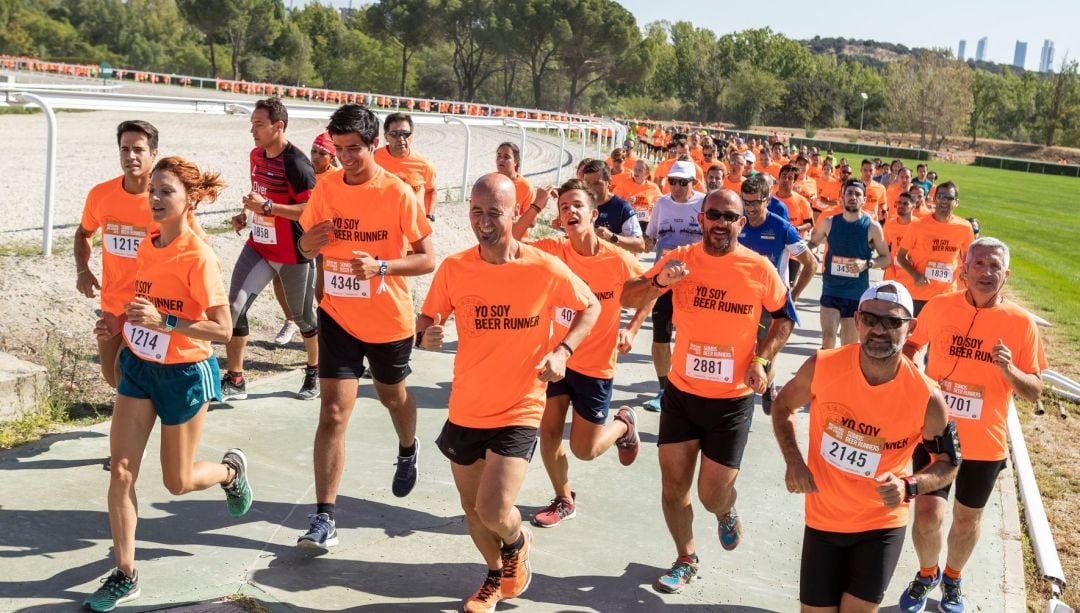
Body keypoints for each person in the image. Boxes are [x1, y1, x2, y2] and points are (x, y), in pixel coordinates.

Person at [417, 173, 600, 613]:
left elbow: (589, 305)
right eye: (476, 212)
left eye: (493, 213)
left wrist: (563, 351)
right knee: (472, 510)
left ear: (516, 214)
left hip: (520, 406)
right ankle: (495, 576)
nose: (483, 221)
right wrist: (427, 335)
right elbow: (425, 322)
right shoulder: (455, 268)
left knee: (495, 509)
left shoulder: (543, 267)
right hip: (466, 407)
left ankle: (517, 540)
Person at [84, 156, 252, 613]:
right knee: (121, 470)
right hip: (140, 365)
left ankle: (230, 472)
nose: (155, 199)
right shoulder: (148, 243)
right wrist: (115, 326)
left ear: (190, 199)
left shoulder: (198, 255)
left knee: (177, 481)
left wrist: (168, 321)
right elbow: (142, 305)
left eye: (165, 192)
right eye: (152, 191)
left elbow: (223, 328)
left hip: (184, 373)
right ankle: (125, 573)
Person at [622, 188, 795, 595]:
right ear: (700, 219)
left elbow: (783, 318)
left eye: (729, 217)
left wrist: (763, 360)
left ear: (741, 223)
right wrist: (660, 280)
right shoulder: (681, 260)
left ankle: (726, 511)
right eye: (713, 215)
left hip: (731, 402)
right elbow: (629, 297)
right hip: (682, 394)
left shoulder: (758, 267)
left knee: (711, 493)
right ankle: (686, 558)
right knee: (673, 487)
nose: (721, 223)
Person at [295, 104, 435, 550]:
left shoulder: (396, 193)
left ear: (373, 145)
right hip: (337, 315)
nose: (346, 158)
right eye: (338, 150)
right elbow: (304, 242)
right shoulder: (327, 186)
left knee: (394, 397)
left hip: (388, 319)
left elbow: (428, 257)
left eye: (354, 149)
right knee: (333, 412)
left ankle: (408, 448)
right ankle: (324, 518)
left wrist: (381, 267)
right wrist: (306, 243)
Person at [772, 281, 959, 613]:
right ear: (857, 320)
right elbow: (783, 407)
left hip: (880, 525)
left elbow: (948, 462)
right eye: (871, 320)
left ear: (911, 328)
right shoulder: (823, 366)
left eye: (893, 322)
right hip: (824, 519)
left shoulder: (927, 397)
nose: (879, 330)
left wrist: (909, 486)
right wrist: (793, 462)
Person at [896, 238, 1046, 613]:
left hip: (984, 443)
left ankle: (953, 578)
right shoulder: (940, 306)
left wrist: (1009, 369)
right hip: (934, 433)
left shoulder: (1020, 323)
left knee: (966, 520)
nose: (985, 273)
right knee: (929, 515)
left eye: (994, 267)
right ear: (964, 268)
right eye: (978, 264)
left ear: (1006, 275)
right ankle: (926, 572)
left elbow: (1034, 391)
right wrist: (912, 367)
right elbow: (912, 345)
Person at [530, 180, 650, 528]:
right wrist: (537, 205)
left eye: (577, 205)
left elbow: (650, 291)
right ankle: (564, 499)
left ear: (594, 214)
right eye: (564, 207)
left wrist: (632, 328)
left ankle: (624, 425)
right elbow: (513, 243)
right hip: (559, 360)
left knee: (585, 449)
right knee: (548, 433)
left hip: (596, 365)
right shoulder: (555, 249)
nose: (570, 211)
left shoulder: (617, 259)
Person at [223, 97, 319, 401]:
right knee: (234, 310)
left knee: (303, 318)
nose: (253, 130)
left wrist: (268, 206)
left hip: (293, 253)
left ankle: (315, 371)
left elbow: (310, 210)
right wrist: (246, 215)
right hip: (260, 247)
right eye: (252, 124)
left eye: (259, 124)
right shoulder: (256, 155)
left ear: (279, 126)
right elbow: (260, 194)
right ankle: (235, 378)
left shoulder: (298, 164)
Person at [76, 120, 161, 388]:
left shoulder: (166, 199)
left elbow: (195, 247)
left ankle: (139, 425)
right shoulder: (101, 194)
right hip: (113, 302)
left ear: (154, 154)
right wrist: (83, 270)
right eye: (125, 149)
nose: (131, 157)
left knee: (125, 372)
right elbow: (83, 233)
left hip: (150, 304)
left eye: (138, 149)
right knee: (111, 378)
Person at [738, 175, 817, 413]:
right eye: (746, 202)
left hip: (770, 303)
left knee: (764, 353)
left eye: (755, 202)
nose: (750, 208)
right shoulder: (738, 223)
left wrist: (794, 294)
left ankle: (765, 384)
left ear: (767, 200)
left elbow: (810, 264)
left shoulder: (781, 227)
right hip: (741, 300)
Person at [642, 161, 706, 412]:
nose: (677, 187)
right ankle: (663, 388)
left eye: (683, 182)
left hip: (695, 281)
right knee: (660, 335)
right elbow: (650, 239)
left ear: (694, 183)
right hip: (664, 281)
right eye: (673, 181)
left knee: (690, 338)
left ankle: (688, 387)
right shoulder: (661, 204)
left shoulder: (704, 203)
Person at [272, 131, 343, 346]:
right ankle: (291, 320)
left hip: (322, 242)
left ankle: (329, 336)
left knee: (321, 293)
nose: (315, 156)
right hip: (295, 237)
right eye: (313, 151)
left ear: (332, 157)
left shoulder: (337, 178)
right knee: (279, 279)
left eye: (322, 153)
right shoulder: (302, 170)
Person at [808, 180, 891, 349]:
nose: (853, 197)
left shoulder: (872, 227)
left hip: (856, 294)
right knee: (828, 338)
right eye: (849, 193)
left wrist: (867, 264)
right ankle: (825, 374)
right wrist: (808, 256)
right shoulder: (829, 222)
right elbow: (812, 244)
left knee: (848, 345)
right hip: (831, 290)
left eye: (858, 194)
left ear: (864, 199)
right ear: (842, 197)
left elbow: (886, 258)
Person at [896, 182, 975, 317]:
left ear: (956, 202)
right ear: (934, 199)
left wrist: (965, 271)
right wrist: (915, 274)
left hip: (947, 294)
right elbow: (900, 256)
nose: (944, 200)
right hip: (919, 293)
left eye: (949, 197)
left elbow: (970, 256)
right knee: (915, 337)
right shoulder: (918, 226)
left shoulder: (965, 227)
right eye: (940, 196)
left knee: (941, 337)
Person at [374, 112, 438, 221]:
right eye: (394, 134)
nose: (401, 138)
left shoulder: (425, 165)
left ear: (411, 136)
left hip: (413, 226)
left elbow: (431, 190)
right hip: (380, 224)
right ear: (386, 137)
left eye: (405, 133)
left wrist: (429, 215)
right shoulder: (373, 159)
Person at [581, 159, 646, 253]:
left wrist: (612, 237)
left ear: (609, 182)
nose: (591, 188)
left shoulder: (622, 207)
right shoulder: (579, 204)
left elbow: (640, 246)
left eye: (597, 183)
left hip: (610, 264)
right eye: (587, 183)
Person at [495, 142, 545, 239]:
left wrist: (509, 217)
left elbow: (532, 221)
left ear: (516, 162)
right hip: (494, 239)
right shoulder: (491, 181)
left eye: (506, 157)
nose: (501, 159)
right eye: (499, 155)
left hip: (516, 241)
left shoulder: (525, 187)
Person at [614, 159, 662, 234]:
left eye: (640, 170)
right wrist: (626, 203)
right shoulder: (624, 183)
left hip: (646, 224)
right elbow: (614, 202)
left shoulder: (653, 187)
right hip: (629, 221)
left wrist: (654, 206)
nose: (636, 171)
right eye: (635, 169)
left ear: (647, 173)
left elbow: (661, 205)